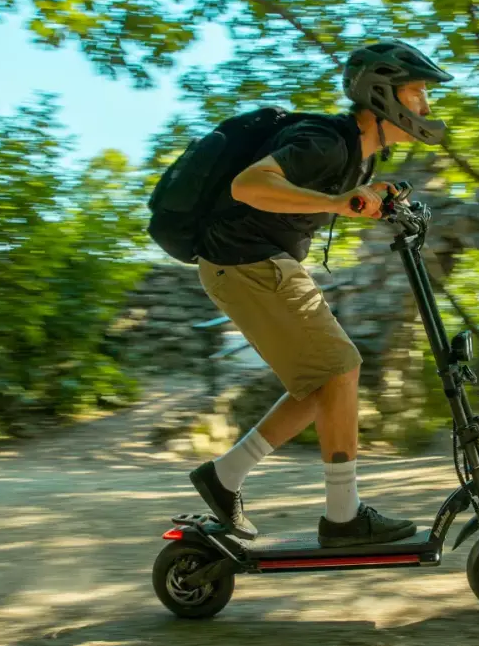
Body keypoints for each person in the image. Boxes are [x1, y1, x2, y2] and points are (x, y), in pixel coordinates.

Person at [186, 40, 454, 548]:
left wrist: (377, 200)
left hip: (260, 264)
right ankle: (342, 518)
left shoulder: (361, 157)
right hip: (246, 263)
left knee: (325, 382)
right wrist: (336, 200)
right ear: (384, 95)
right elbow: (248, 185)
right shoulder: (327, 141)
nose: (426, 105)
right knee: (340, 369)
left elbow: (334, 200)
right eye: (418, 91)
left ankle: (224, 476)